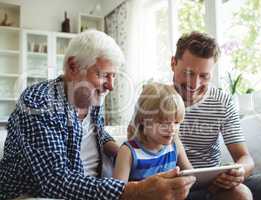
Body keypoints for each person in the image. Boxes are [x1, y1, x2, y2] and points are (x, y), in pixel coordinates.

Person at [0, 30, 195, 200]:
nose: (111, 86)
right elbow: (55, 181)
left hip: (94, 188)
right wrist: (135, 191)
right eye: (103, 75)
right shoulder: (39, 102)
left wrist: (129, 154)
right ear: (73, 67)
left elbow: (98, 134)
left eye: (114, 76)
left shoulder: (91, 99)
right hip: (35, 195)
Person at [171, 31, 261, 200]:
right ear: (173, 63)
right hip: (174, 189)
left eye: (204, 76)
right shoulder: (154, 99)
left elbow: (244, 158)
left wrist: (238, 172)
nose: (195, 84)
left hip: (215, 187)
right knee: (240, 194)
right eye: (188, 73)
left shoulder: (221, 101)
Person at [113, 83, 193, 183]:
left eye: (176, 122)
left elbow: (193, 178)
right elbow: (117, 193)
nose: (172, 128)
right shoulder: (128, 152)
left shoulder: (175, 145)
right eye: (164, 123)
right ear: (143, 120)